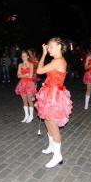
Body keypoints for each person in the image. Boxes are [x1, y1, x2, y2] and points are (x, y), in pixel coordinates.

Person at [35, 37, 73, 168]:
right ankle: (51, 147)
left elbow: (39, 71)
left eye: (50, 46)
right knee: (47, 121)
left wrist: (43, 54)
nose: (48, 48)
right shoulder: (55, 60)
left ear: (58, 47)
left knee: (53, 125)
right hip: (49, 93)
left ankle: (58, 156)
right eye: (48, 47)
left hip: (54, 95)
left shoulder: (58, 61)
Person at [15, 51, 36, 123]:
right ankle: (26, 116)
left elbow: (30, 76)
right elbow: (18, 75)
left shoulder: (31, 64)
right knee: (24, 100)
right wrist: (26, 74)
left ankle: (31, 116)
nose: (23, 57)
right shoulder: (20, 65)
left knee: (30, 100)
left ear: (27, 56)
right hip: (22, 84)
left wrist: (23, 75)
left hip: (29, 84)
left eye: (25, 55)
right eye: (22, 56)